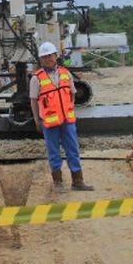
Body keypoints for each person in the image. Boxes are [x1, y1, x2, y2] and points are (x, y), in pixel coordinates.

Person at [30, 41, 92, 192]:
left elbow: (72, 95)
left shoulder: (66, 73)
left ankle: (77, 181)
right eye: (44, 57)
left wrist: (69, 111)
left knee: (73, 150)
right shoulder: (36, 78)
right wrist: (37, 120)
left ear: (56, 56)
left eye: (50, 55)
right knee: (53, 152)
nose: (47, 59)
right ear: (40, 59)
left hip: (67, 121)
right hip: (50, 123)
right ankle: (58, 183)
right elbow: (33, 100)